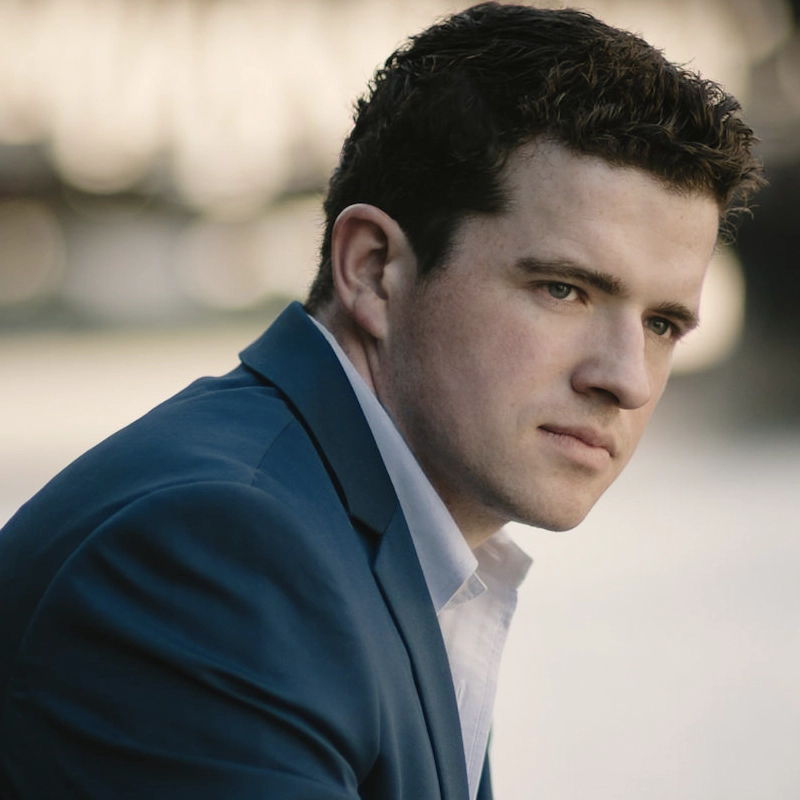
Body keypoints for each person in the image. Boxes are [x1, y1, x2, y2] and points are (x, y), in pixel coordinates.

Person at [0, 3, 763, 799]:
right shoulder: (223, 551)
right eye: (564, 289)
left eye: (663, 324)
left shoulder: (367, 537)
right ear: (372, 271)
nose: (627, 379)